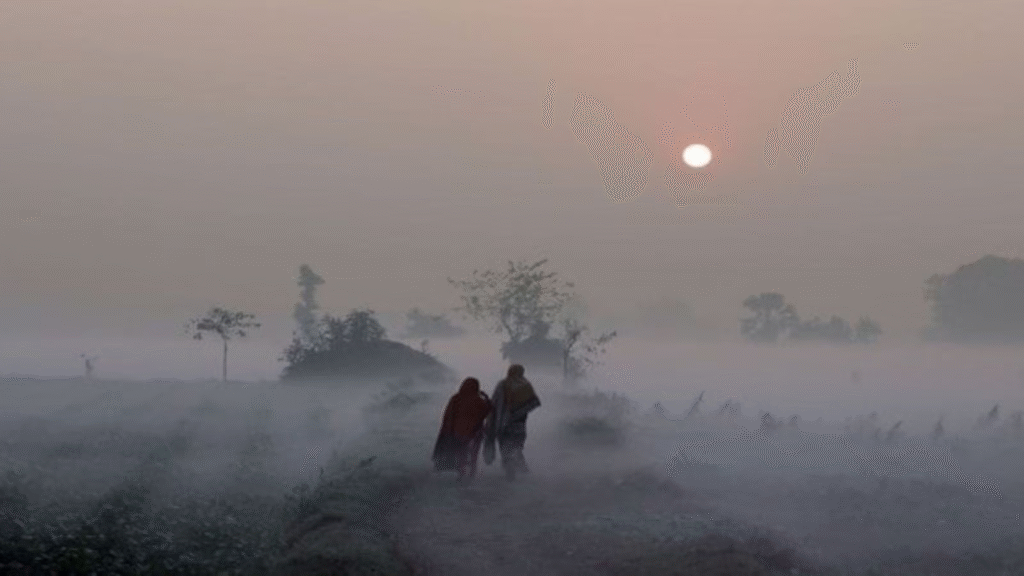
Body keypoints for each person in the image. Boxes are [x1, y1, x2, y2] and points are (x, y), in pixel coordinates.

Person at [483, 364, 541, 480]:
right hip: (519, 425)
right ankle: (524, 474)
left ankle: (511, 475)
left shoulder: (503, 384)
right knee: (517, 449)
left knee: (506, 450)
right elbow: (533, 403)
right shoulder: (526, 385)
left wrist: (493, 419)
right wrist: (518, 412)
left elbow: (495, 403)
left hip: (504, 424)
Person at [432, 377, 492, 480]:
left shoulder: (456, 398)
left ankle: (461, 474)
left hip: (457, 433)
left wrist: (447, 430)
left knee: (461, 454)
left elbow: (448, 415)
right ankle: (471, 475)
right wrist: (486, 398)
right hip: (474, 433)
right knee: (473, 455)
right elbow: (487, 412)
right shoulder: (479, 401)